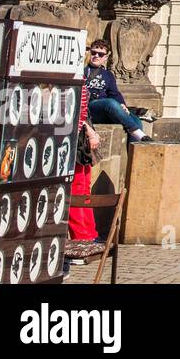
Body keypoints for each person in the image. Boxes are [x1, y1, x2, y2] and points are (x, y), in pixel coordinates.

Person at [64, 81, 102, 265]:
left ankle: (83, 239)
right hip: (80, 138)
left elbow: (78, 112)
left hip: (76, 141)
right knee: (81, 189)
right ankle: (88, 236)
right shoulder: (80, 79)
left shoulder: (76, 79)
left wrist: (87, 130)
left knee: (78, 191)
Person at [84, 41, 150, 143]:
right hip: (90, 108)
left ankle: (132, 155)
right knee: (110, 103)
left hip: (108, 109)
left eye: (100, 54)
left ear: (105, 58)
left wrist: (122, 105)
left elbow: (114, 93)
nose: (96, 56)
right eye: (93, 53)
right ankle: (140, 136)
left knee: (136, 121)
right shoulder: (82, 71)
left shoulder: (108, 75)